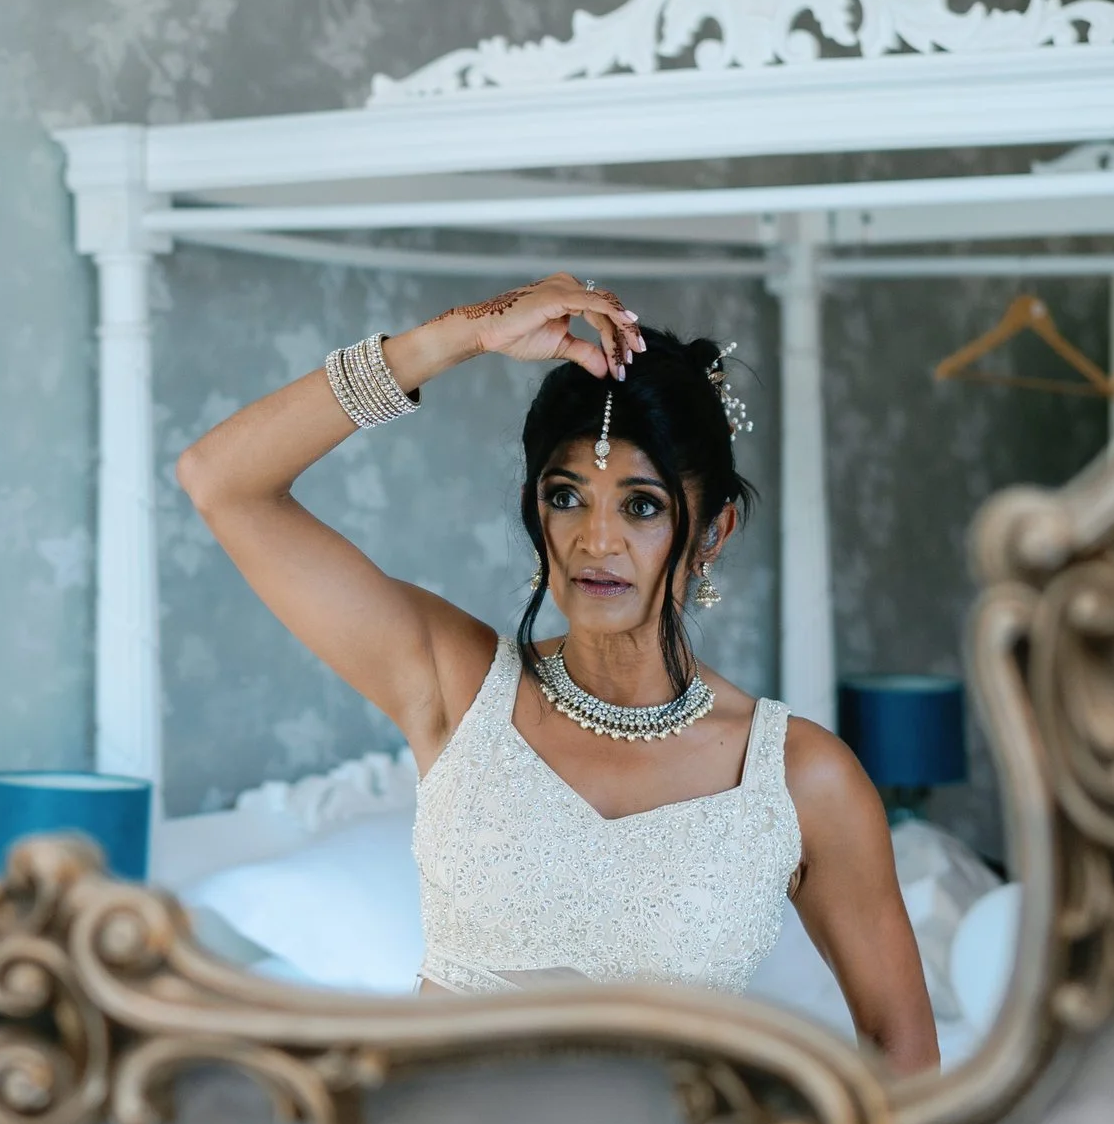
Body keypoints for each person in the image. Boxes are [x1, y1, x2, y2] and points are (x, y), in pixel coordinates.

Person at [174, 273, 938, 1074]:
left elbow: (905, 1059)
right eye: (567, 497)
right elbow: (221, 481)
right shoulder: (459, 687)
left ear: (713, 533)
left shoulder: (799, 777)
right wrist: (460, 335)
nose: (595, 541)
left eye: (641, 506)